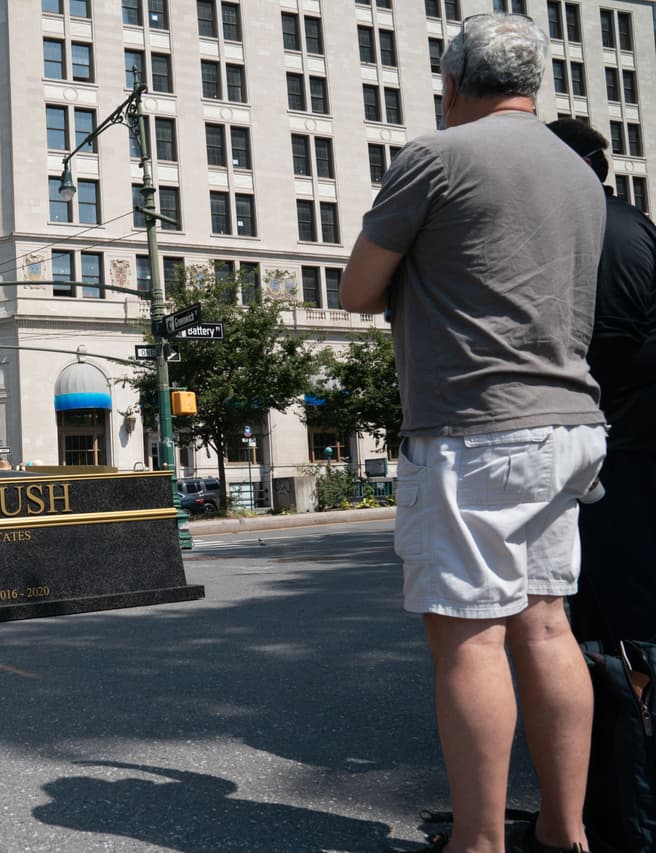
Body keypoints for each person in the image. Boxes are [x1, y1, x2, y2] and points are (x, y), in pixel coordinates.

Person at [340, 15, 606, 853]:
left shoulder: (437, 156)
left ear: (452, 83)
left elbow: (356, 289)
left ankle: (479, 842)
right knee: (548, 624)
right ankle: (565, 833)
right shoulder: (577, 172)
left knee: (468, 632)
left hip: (473, 427)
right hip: (568, 422)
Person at [545, 118, 656, 645]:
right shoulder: (604, 223)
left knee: (624, 592)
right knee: (600, 592)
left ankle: (635, 693)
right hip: (616, 435)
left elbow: (612, 338)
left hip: (626, 440)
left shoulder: (608, 227)